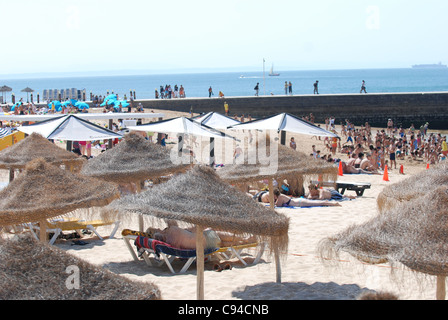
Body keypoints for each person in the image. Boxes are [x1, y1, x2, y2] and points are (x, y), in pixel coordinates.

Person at [272, 188, 342, 207]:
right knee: (316, 203)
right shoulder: (281, 196)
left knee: (317, 203)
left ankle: (333, 204)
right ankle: (331, 203)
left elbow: (278, 205)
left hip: (299, 203)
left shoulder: (280, 197)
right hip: (299, 201)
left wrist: (274, 201)